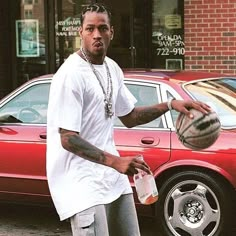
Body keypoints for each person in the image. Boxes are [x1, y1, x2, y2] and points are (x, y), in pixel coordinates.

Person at [46, 3, 211, 236]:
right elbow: (67, 138)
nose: (97, 35)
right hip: (81, 183)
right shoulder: (70, 75)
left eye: (102, 28)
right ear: (80, 32)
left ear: (111, 32)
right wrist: (117, 162)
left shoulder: (112, 68)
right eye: (90, 28)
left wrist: (170, 104)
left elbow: (130, 116)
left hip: (112, 178)